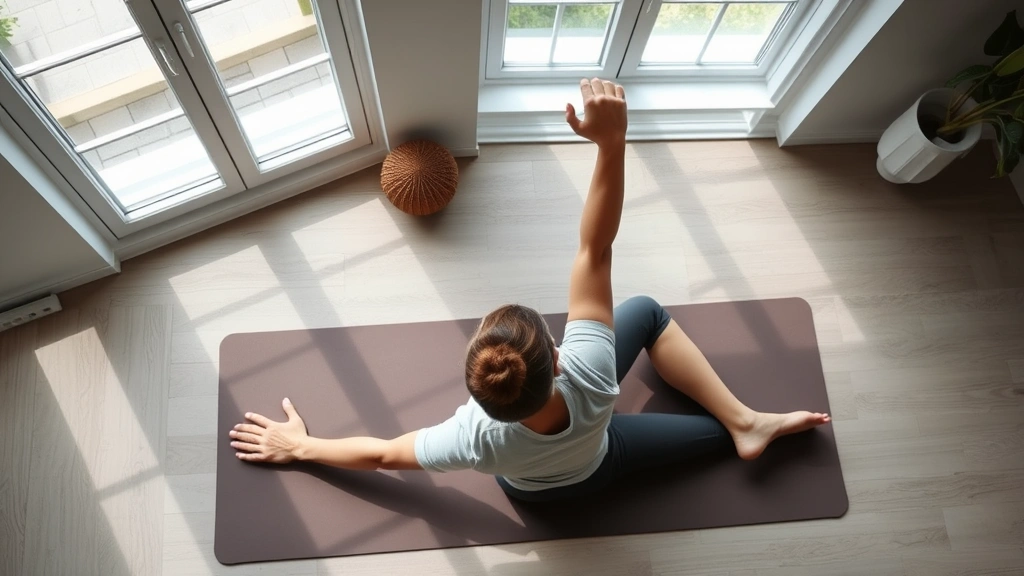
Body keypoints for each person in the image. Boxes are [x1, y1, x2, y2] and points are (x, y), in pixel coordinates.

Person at [229, 78, 830, 502]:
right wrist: (612, 142)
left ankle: (748, 426)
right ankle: (744, 423)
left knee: (662, 353)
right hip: (596, 458)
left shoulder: (472, 439)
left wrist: (302, 446)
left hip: (543, 491)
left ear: (479, 393)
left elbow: (384, 454)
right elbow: (595, 248)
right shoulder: (592, 369)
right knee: (645, 312)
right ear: (556, 350)